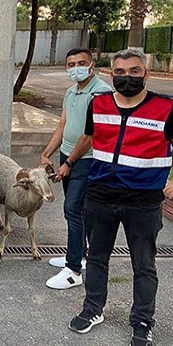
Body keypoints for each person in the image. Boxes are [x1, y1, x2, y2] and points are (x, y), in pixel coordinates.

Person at [66, 49, 173, 346]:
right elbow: (90, 138)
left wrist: (148, 170)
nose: (127, 78)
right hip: (100, 195)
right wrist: (69, 161)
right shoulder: (99, 103)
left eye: (134, 71)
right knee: (96, 257)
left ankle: (142, 323)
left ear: (146, 74)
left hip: (142, 200)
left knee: (143, 265)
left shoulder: (169, 108)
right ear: (111, 74)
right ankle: (93, 308)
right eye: (120, 72)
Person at [40, 48, 113, 290]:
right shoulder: (71, 91)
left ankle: (73, 270)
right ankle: (78, 253)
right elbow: (63, 124)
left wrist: (69, 163)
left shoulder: (101, 93)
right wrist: (47, 152)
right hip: (68, 155)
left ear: (92, 65)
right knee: (76, 210)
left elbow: (90, 136)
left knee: (72, 208)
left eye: (81, 63)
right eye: (71, 64)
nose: (76, 67)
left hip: (86, 159)